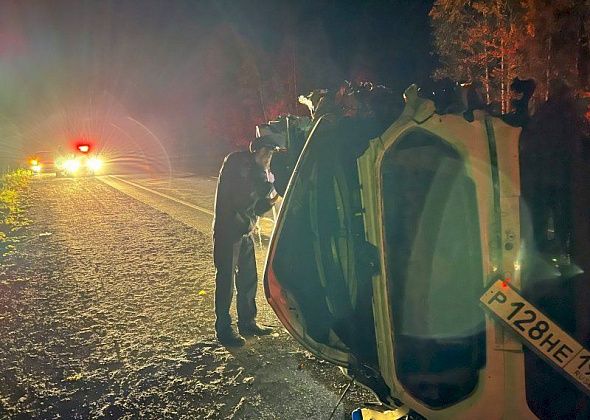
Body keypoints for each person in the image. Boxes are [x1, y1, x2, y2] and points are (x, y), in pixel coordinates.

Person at [212, 134, 282, 346]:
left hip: (245, 231)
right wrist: (265, 184)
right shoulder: (236, 162)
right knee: (226, 280)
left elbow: (259, 207)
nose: (267, 158)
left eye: (270, 155)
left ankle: (248, 321)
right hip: (228, 231)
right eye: (265, 153)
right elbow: (242, 197)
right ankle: (224, 329)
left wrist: (271, 196)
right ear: (256, 151)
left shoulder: (260, 172)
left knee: (248, 278)